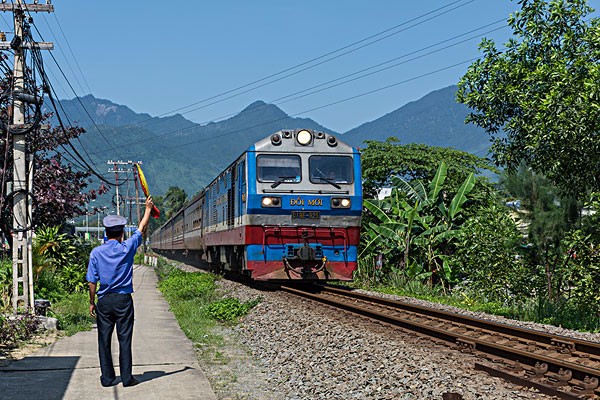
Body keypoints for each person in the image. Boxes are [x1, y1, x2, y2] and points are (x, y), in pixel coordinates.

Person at [86, 196, 155, 387]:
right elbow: (140, 229)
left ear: (106, 233)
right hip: (123, 301)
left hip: (104, 301)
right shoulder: (127, 248)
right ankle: (127, 378)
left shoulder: (96, 252)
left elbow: (92, 281)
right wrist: (148, 209)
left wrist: (92, 302)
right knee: (125, 339)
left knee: (104, 340)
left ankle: (107, 379)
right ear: (122, 232)